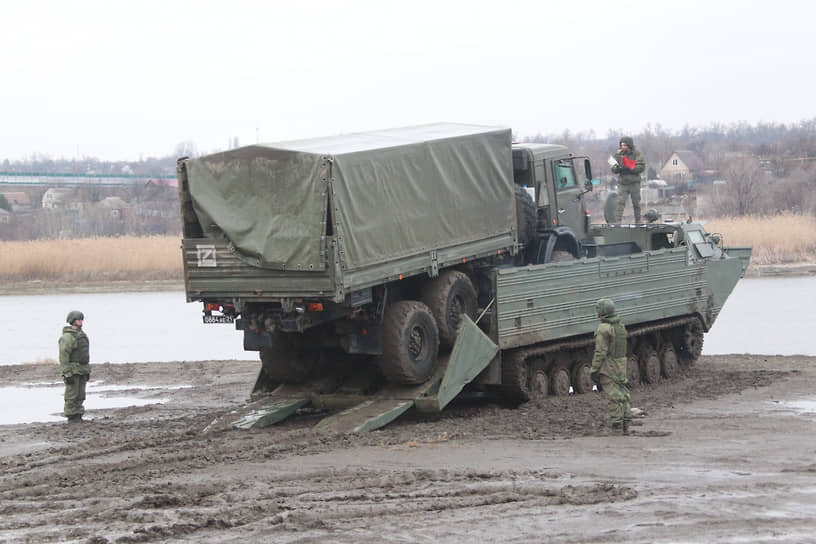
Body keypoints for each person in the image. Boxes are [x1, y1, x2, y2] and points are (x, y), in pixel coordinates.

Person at [590, 298, 631, 434]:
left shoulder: (603, 328)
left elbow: (600, 352)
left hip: (609, 365)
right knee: (623, 392)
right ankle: (626, 422)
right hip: (621, 364)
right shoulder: (620, 326)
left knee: (612, 395)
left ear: (602, 312)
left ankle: (617, 425)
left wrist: (594, 369)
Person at [59, 310, 90, 423]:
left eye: (81, 319)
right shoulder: (67, 337)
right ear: (72, 321)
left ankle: (78, 414)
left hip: (82, 369)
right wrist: (66, 372)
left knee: (81, 394)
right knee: (72, 394)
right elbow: (64, 356)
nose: (80, 321)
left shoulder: (81, 335)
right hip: (72, 369)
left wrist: (87, 370)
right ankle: (71, 415)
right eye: (78, 319)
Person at [610, 136, 646, 223]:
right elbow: (613, 167)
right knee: (620, 202)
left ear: (629, 145)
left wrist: (630, 167)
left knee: (636, 203)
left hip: (634, 182)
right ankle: (617, 221)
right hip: (623, 182)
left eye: (625, 145)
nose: (623, 147)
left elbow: (641, 166)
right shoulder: (618, 154)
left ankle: (638, 221)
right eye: (622, 145)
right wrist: (618, 168)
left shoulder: (636, 154)